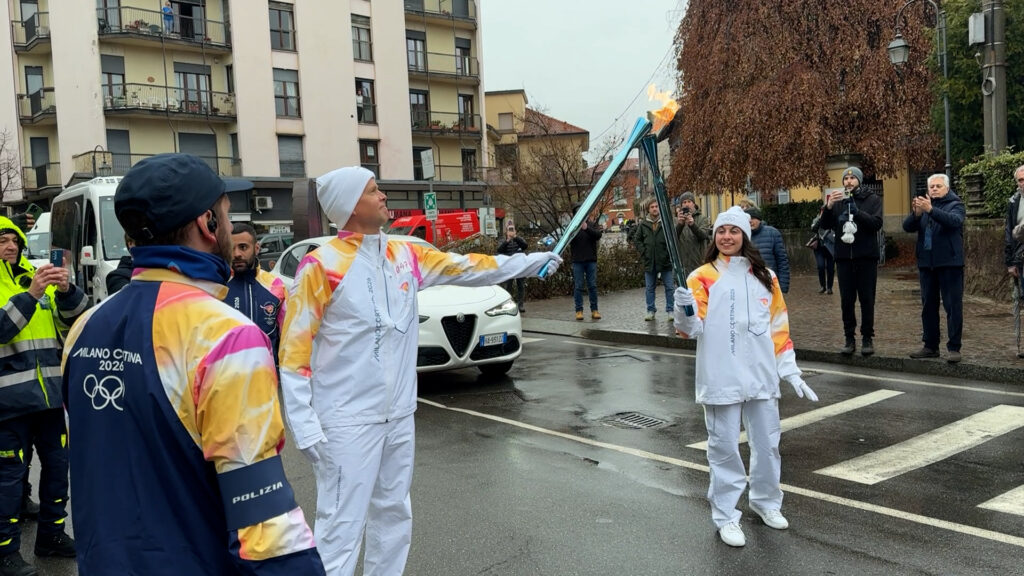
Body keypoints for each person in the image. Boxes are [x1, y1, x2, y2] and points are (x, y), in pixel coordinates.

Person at [279, 166, 562, 576]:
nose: (383, 196)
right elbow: (294, 351)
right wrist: (304, 426)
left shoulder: (404, 254)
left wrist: (529, 263)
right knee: (341, 527)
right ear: (351, 205)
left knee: (393, 516)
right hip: (346, 420)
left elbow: (469, 266)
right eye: (373, 190)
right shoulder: (321, 267)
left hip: (398, 413)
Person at [61, 154, 325, 576]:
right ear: (208, 223)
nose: (230, 225)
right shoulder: (227, 336)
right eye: (227, 213)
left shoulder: (84, 328)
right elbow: (265, 524)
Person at [672, 206, 818, 548]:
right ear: (715, 237)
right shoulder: (701, 277)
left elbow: (778, 327)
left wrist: (790, 369)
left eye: (734, 231)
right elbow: (690, 330)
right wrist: (683, 309)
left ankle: (766, 502)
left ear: (745, 236)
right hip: (721, 375)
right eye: (722, 231)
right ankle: (726, 515)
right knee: (724, 448)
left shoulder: (766, 277)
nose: (727, 236)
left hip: (761, 376)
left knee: (768, 445)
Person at [0, 216, 87, 576]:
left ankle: (51, 535)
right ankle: (5, 552)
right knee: (8, 480)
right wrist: (32, 295)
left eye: (14, 240)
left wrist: (65, 291)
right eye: (2, 240)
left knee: (57, 469)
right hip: (8, 403)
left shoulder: (36, 278)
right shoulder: (31, 288)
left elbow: (77, 321)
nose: (10, 246)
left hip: (49, 398)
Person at [819, 166, 883, 356]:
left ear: (859, 181)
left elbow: (876, 224)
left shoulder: (872, 199)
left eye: (852, 178)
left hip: (866, 257)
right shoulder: (839, 200)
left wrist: (858, 213)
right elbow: (824, 225)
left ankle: (867, 338)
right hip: (844, 258)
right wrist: (828, 207)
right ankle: (849, 338)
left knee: (867, 299)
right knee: (847, 301)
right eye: (846, 179)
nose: (848, 182)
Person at [902, 174, 965, 364]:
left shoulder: (956, 204)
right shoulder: (924, 206)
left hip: (949, 263)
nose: (935, 189)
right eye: (932, 187)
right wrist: (916, 214)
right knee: (928, 306)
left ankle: (954, 347)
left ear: (947, 188)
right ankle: (930, 345)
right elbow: (907, 227)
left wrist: (931, 210)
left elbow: (954, 221)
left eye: (938, 186)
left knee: (952, 307)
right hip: (927, 264)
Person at [225, 222, 287, 362]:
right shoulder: (218, 285)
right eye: (231, 248)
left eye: (243, 247)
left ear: (256, 248)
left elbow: (288, 338)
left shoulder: (275, 286)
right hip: (226, 372)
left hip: (267, 372)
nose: (237, 254)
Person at [633, 196, 675, 321]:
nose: (655, 209)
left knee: (669, 287)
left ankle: (671, 310)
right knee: (650, 288)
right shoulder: (643, 224)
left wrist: (668, 253)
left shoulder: (666, 222)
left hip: (665, 260)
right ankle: (650, 310)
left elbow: (672, 238)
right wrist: (644, 252)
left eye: (656, 206)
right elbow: (637, 239)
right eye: (652, 207)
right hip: (650, 261)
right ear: (648, 209)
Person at [745, 207, 790, 293]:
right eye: (747, 219)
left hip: (770, 284)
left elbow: (782, 261)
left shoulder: (773, 233)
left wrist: (783, 286)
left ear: (759, 219)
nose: (750, 221)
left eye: (753, 218)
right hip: (749, 286)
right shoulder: (741, 237)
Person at [569, 204, 602, 321]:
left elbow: (598, 235)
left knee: (592, 286)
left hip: (591, 260)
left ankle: (594, 310)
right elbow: (567, 239)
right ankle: (579, 311)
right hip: (577, 261)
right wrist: (574, 229)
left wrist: (586, 228)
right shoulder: (572, 226)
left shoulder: (592, 224)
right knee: (578, 286)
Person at [674, 192, 711, 275]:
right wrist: (680, 225)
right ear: (681, 205)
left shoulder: (702, 219)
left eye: (689, 201)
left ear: (693, 204)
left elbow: (703, 235)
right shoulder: (676, 220)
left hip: (698, 262)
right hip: (683, 263)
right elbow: (672, 239)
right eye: (684, 202)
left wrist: (692, 225)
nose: (687, 204)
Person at [496, 221, 528, 313]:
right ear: (506, 231)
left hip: (519, 267)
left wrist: (515, 238)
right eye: (509, 229)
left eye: (512, 229)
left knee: (521, 286)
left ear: (515, 230)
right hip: (509, 267)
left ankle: (520, 305)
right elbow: (499, 250)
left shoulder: (519, 239)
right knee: (508, 287)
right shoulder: (503, 240)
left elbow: (525, 246)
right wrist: (507, 240)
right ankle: (508, 305)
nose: (510, 231)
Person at [811, 206, 835, 294]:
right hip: (819, 248)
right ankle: (823, 286)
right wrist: (820, 219)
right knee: (820, 266)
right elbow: (813, 229)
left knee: (830, 268)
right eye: (823, 211)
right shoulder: (816, 219)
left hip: (830, 247)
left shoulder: (832, 219)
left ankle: (829, 287)